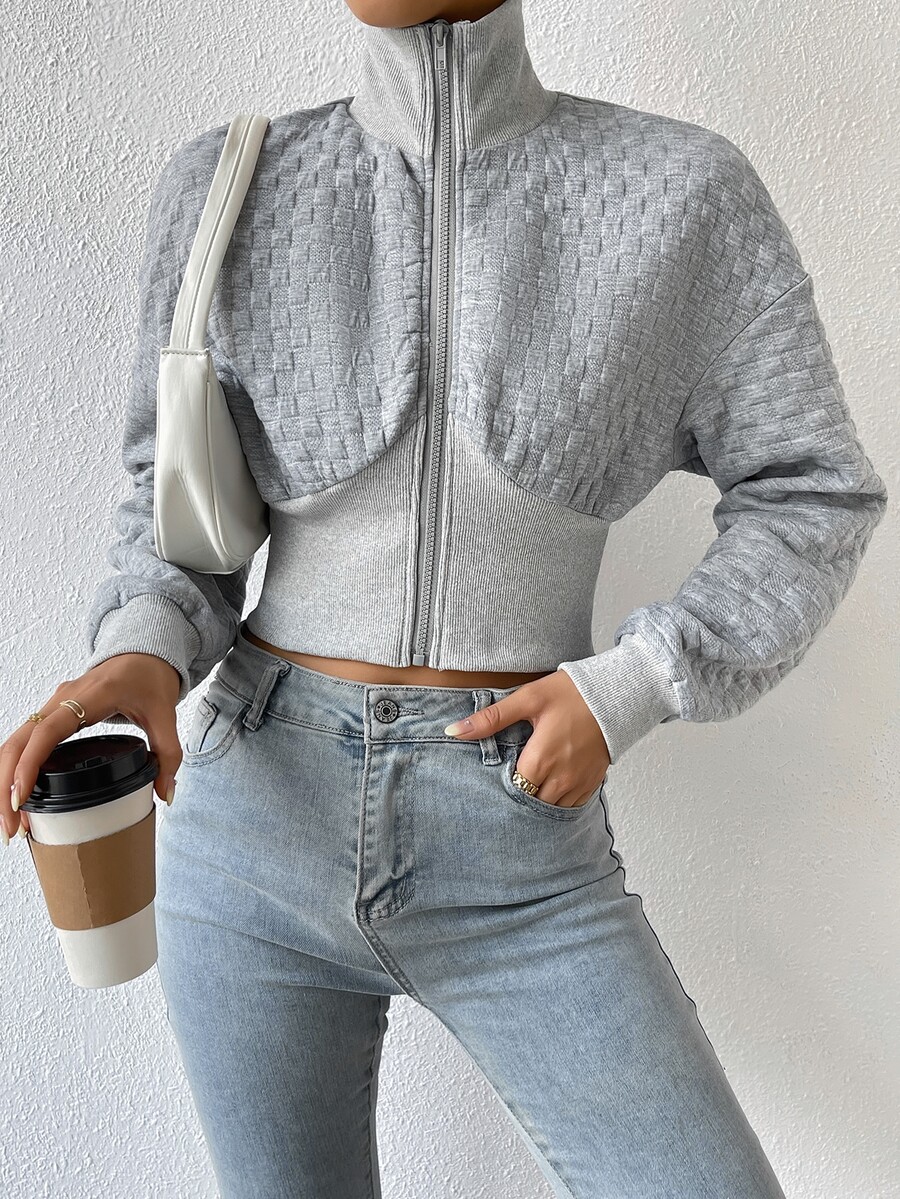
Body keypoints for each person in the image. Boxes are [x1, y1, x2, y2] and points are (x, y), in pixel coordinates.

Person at [3, 0, 887, 1194]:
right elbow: (178, 523)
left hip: (516, 834)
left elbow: (813, 492)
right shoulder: (226, 187)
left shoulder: (683, 195)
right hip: (253, 821)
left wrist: (633, 684)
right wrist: (140, 656)